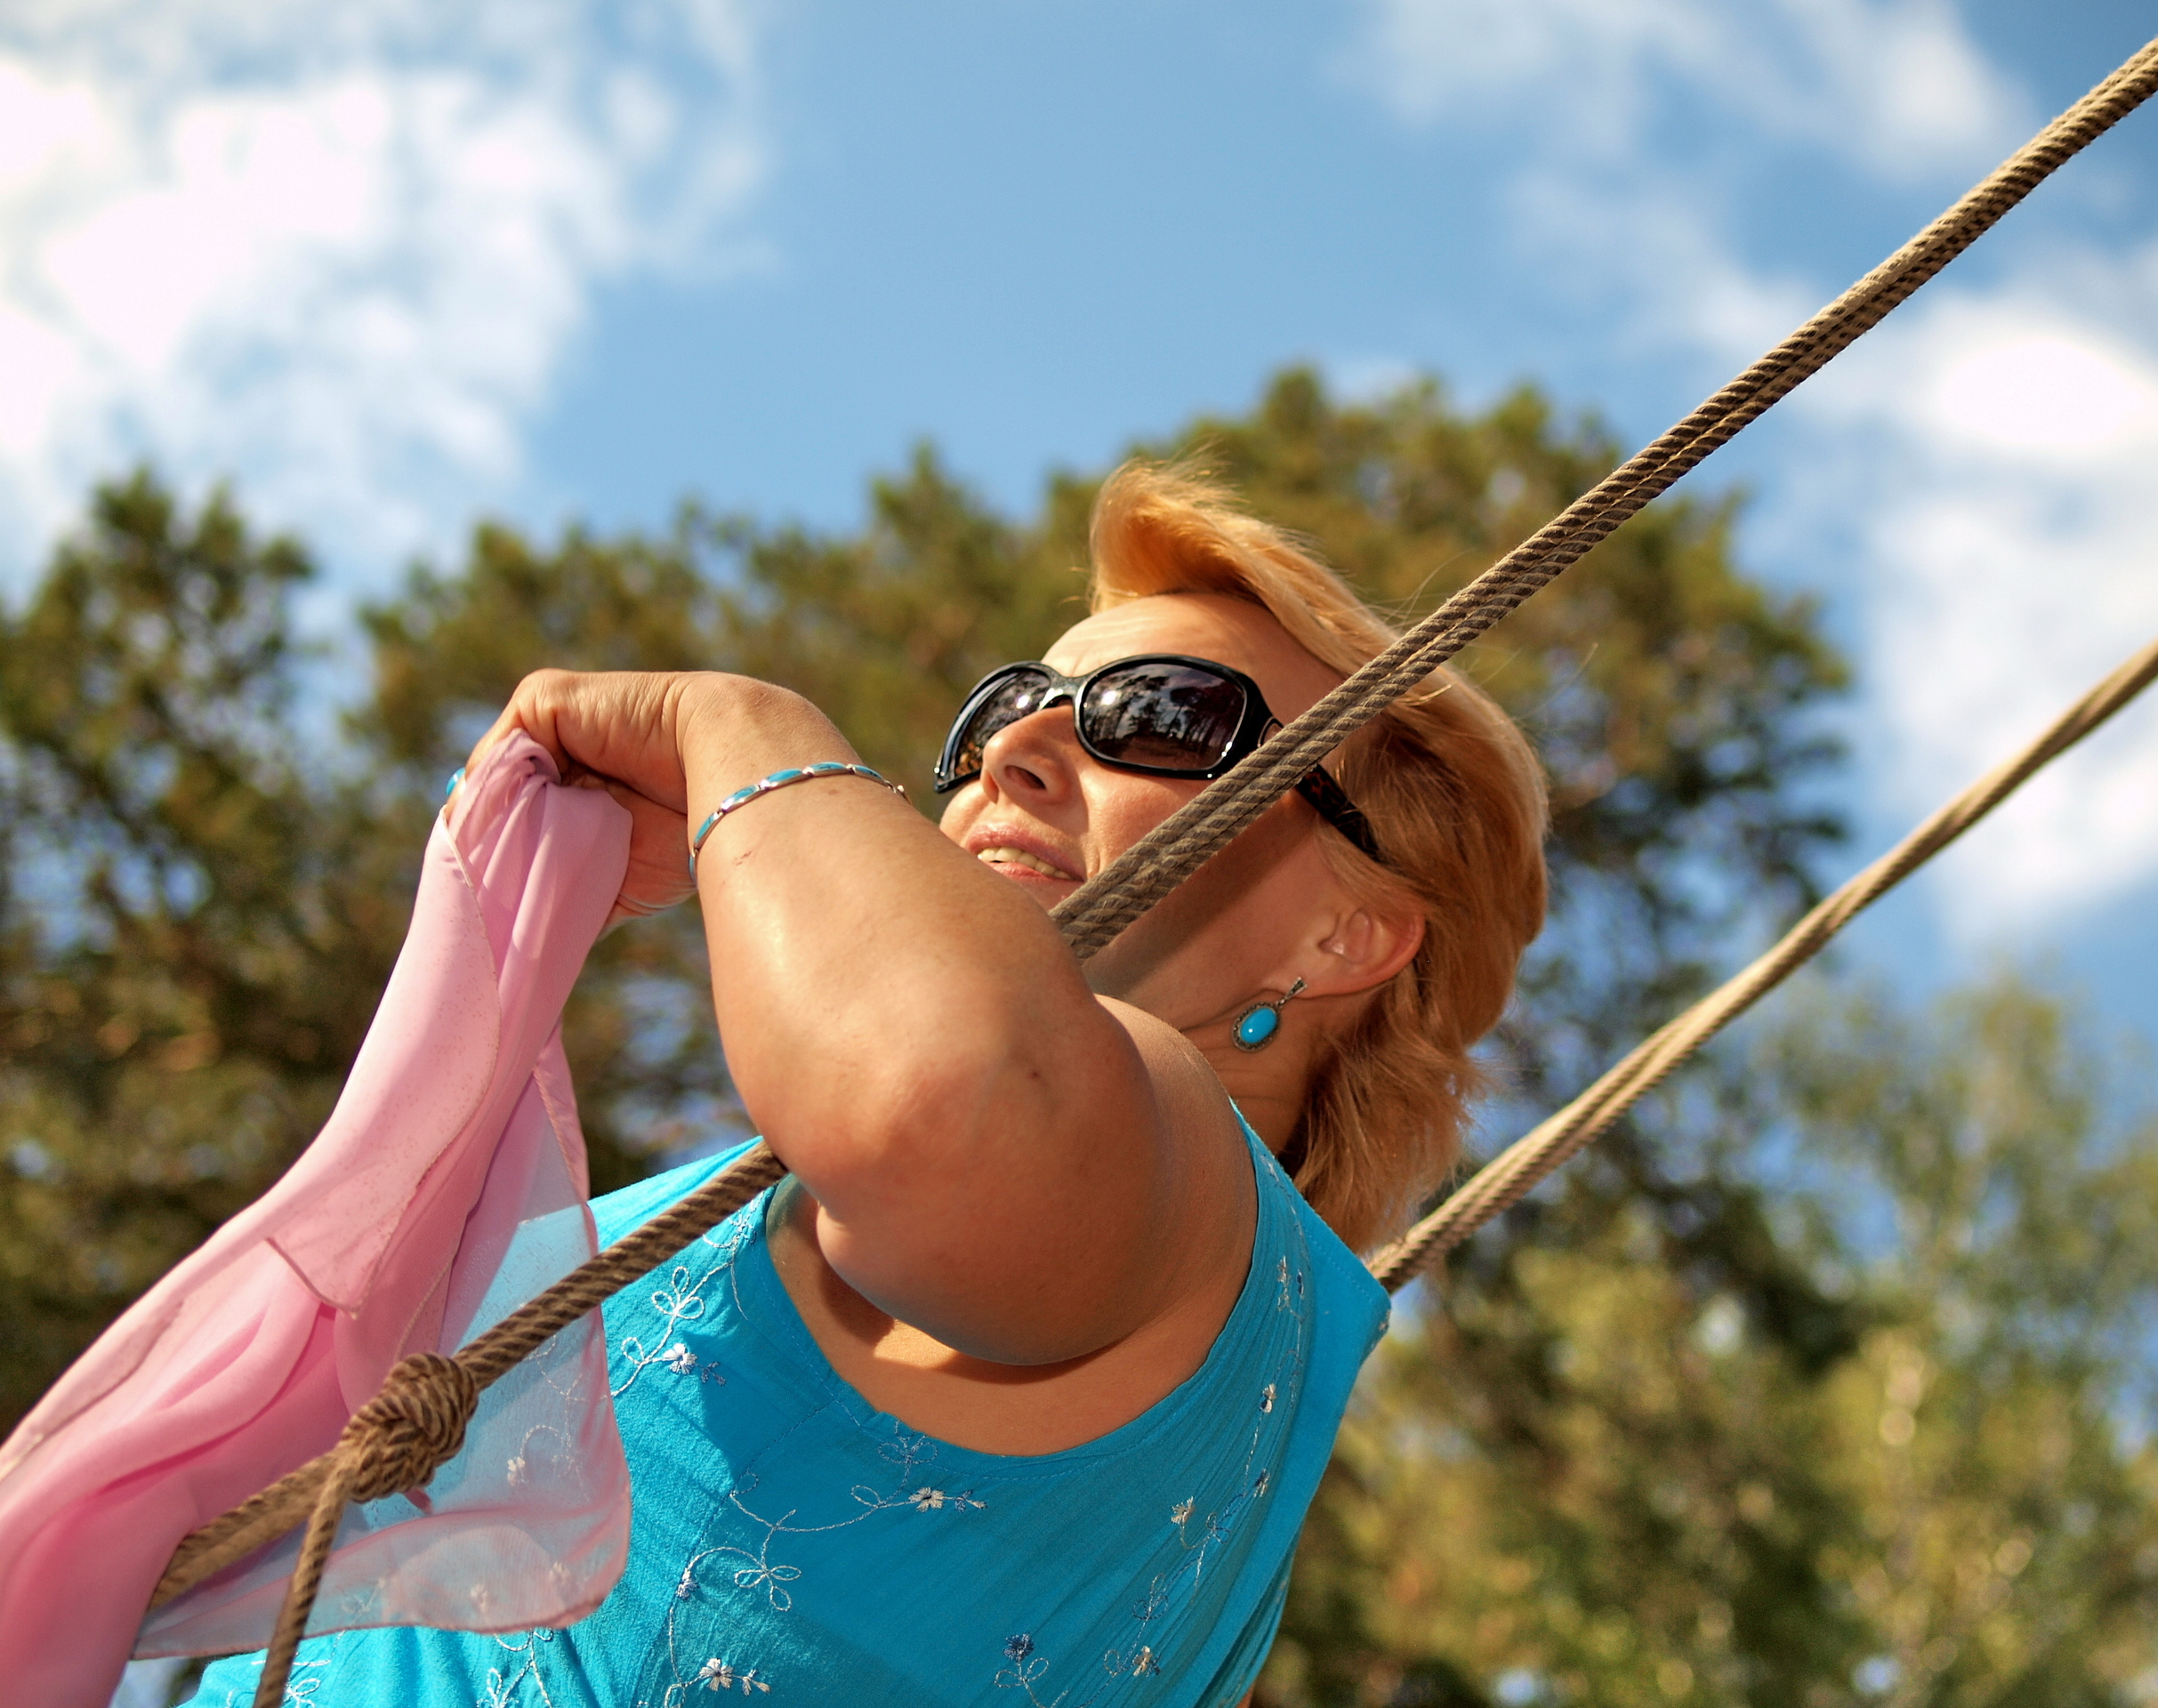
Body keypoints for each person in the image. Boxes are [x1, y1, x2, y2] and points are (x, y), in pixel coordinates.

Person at [185, 462, 1548, 1706]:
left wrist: (738, 721)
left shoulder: (1183, 1187)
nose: (1019, 748)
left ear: (1347, 933)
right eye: (1009, 707)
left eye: (1168, 717)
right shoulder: (1174, 1345)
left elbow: (942, 1107)